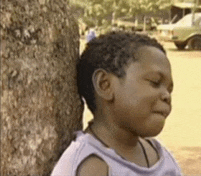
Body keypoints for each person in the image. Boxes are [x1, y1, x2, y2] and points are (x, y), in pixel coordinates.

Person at [51, 32, 182, 176]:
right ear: (105, 85)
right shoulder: (91, 166)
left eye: (170, 89)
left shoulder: (162, 157)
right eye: (155, 82)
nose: (166, 96)